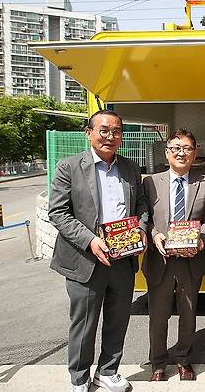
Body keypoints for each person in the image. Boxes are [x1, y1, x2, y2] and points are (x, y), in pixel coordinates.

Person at [49, 109, 148, 392]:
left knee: (118, 319)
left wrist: (140, 229)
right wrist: (91, 240)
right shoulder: (69, 167)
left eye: (116, 131)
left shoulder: (130, 167)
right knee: (84, 324)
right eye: (104, 130)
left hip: (123, 257)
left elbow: (141, 205)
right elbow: (58, 213)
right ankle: (79, 379)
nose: (110, 136)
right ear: (89, 133)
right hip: (85, 257)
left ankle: (108, 371)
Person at [142, 128, 205, 382]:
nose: (181, 153)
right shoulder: (151, 182)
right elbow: (144, 217)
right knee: (158, 315)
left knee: (188, 313)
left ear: (195, 153)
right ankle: (158, 364)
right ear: (167, 152)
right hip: (159, 258)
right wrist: (153, 234)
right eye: (176, 148)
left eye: (187, 148)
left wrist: (202, 238)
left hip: (191, 260)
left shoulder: (204, 183)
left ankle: (184, 358)